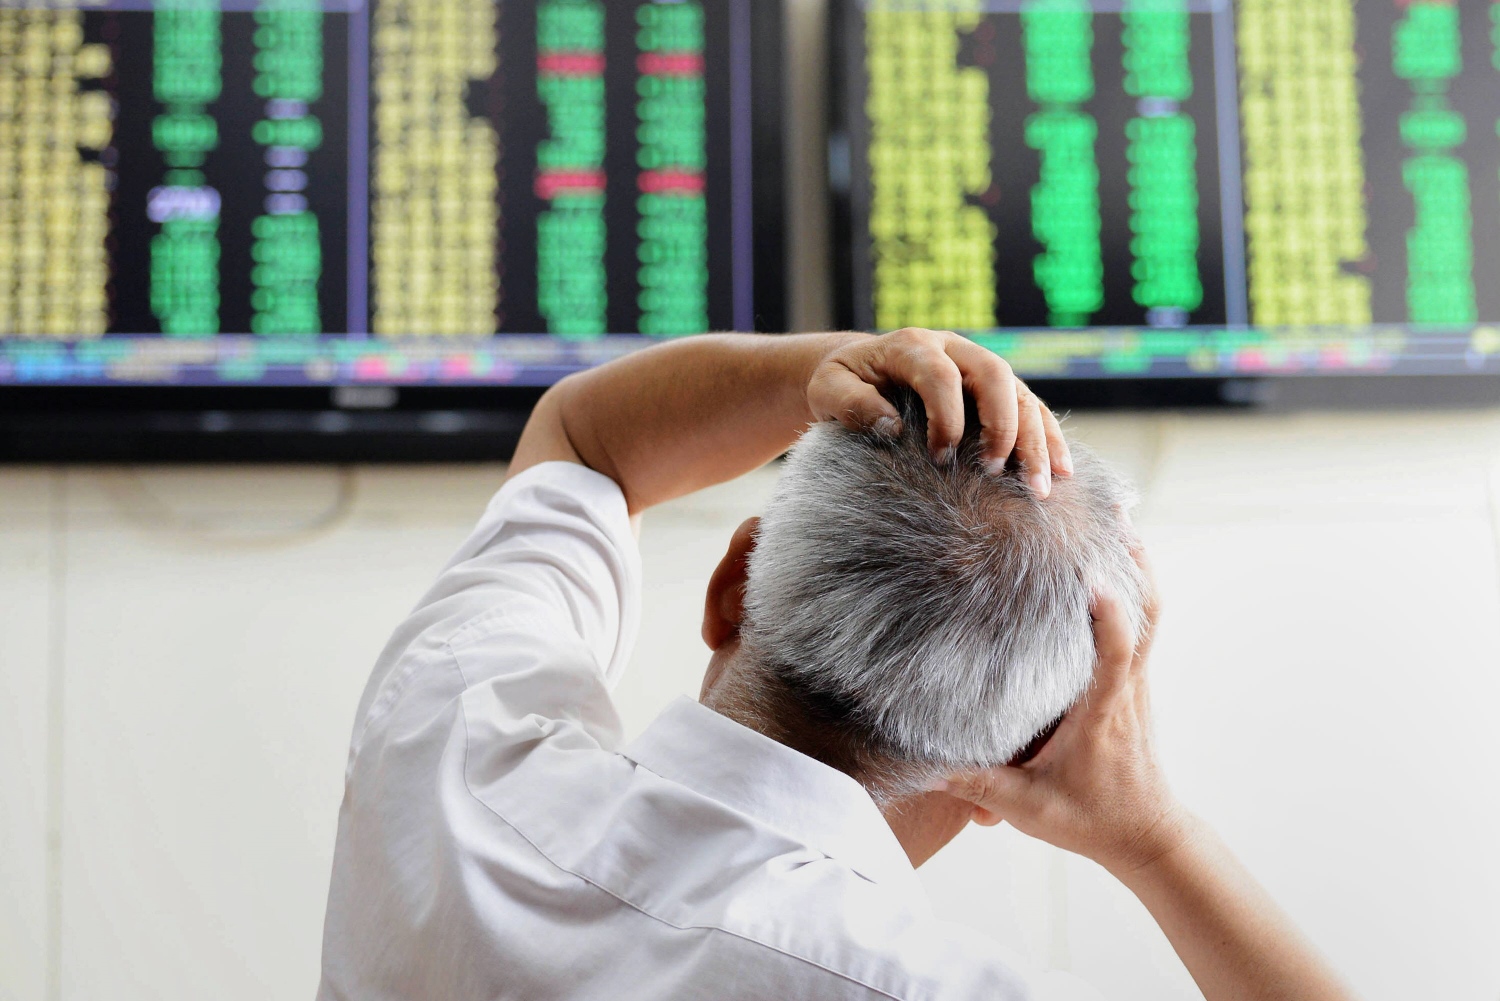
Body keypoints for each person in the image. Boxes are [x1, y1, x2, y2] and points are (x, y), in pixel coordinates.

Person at [317, 328, 1357, 1001]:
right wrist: (1156, 838)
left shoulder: (455, 730)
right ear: (1030, 759)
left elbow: (585, 440)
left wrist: (835, 363)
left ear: (734, 583)